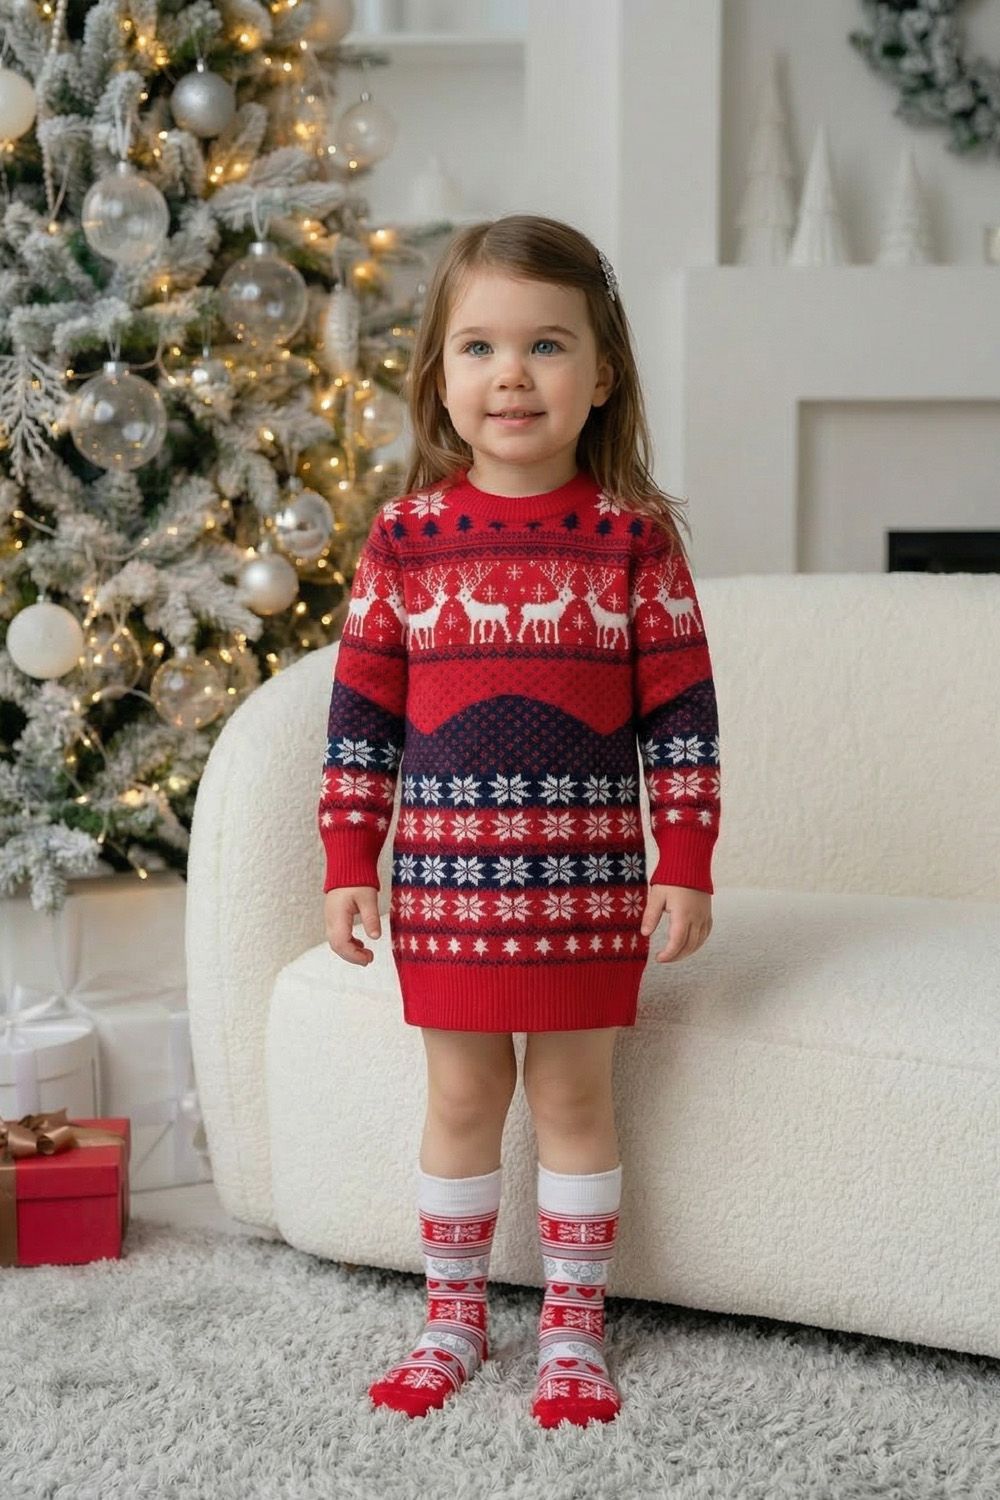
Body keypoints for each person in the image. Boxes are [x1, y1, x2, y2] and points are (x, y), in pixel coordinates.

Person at [319, 214, 721, 1428]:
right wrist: (348, 856)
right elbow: (360, 715)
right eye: (479, 347)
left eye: (546, 345)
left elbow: (682, 714)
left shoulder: (632, 544)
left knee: (574, 1102)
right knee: (458, 1101)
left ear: (601, 376)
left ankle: (572, 1328)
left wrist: (685, 857)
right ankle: (451, 1318)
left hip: (588, 887)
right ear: (439, 376)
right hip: (448, 886)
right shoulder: (405, 542)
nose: (511, 375)